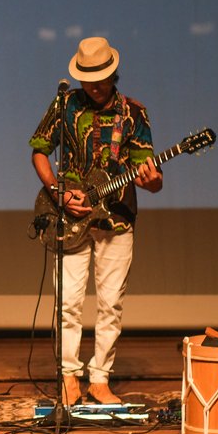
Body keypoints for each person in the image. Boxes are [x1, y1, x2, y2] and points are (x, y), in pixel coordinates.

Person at [29, 37, 163, 405]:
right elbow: (40, 150)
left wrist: (153, 181)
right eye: (87, 77)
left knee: (110, 303)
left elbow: (148, 174)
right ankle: (68, 375)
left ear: (113, 74)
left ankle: (100, 378)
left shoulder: (134, 114)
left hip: (116, 221)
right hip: (69, 217)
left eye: (101, 77)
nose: (94, 84)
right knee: (67, 301)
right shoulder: (65, 105)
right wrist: (58, 191)